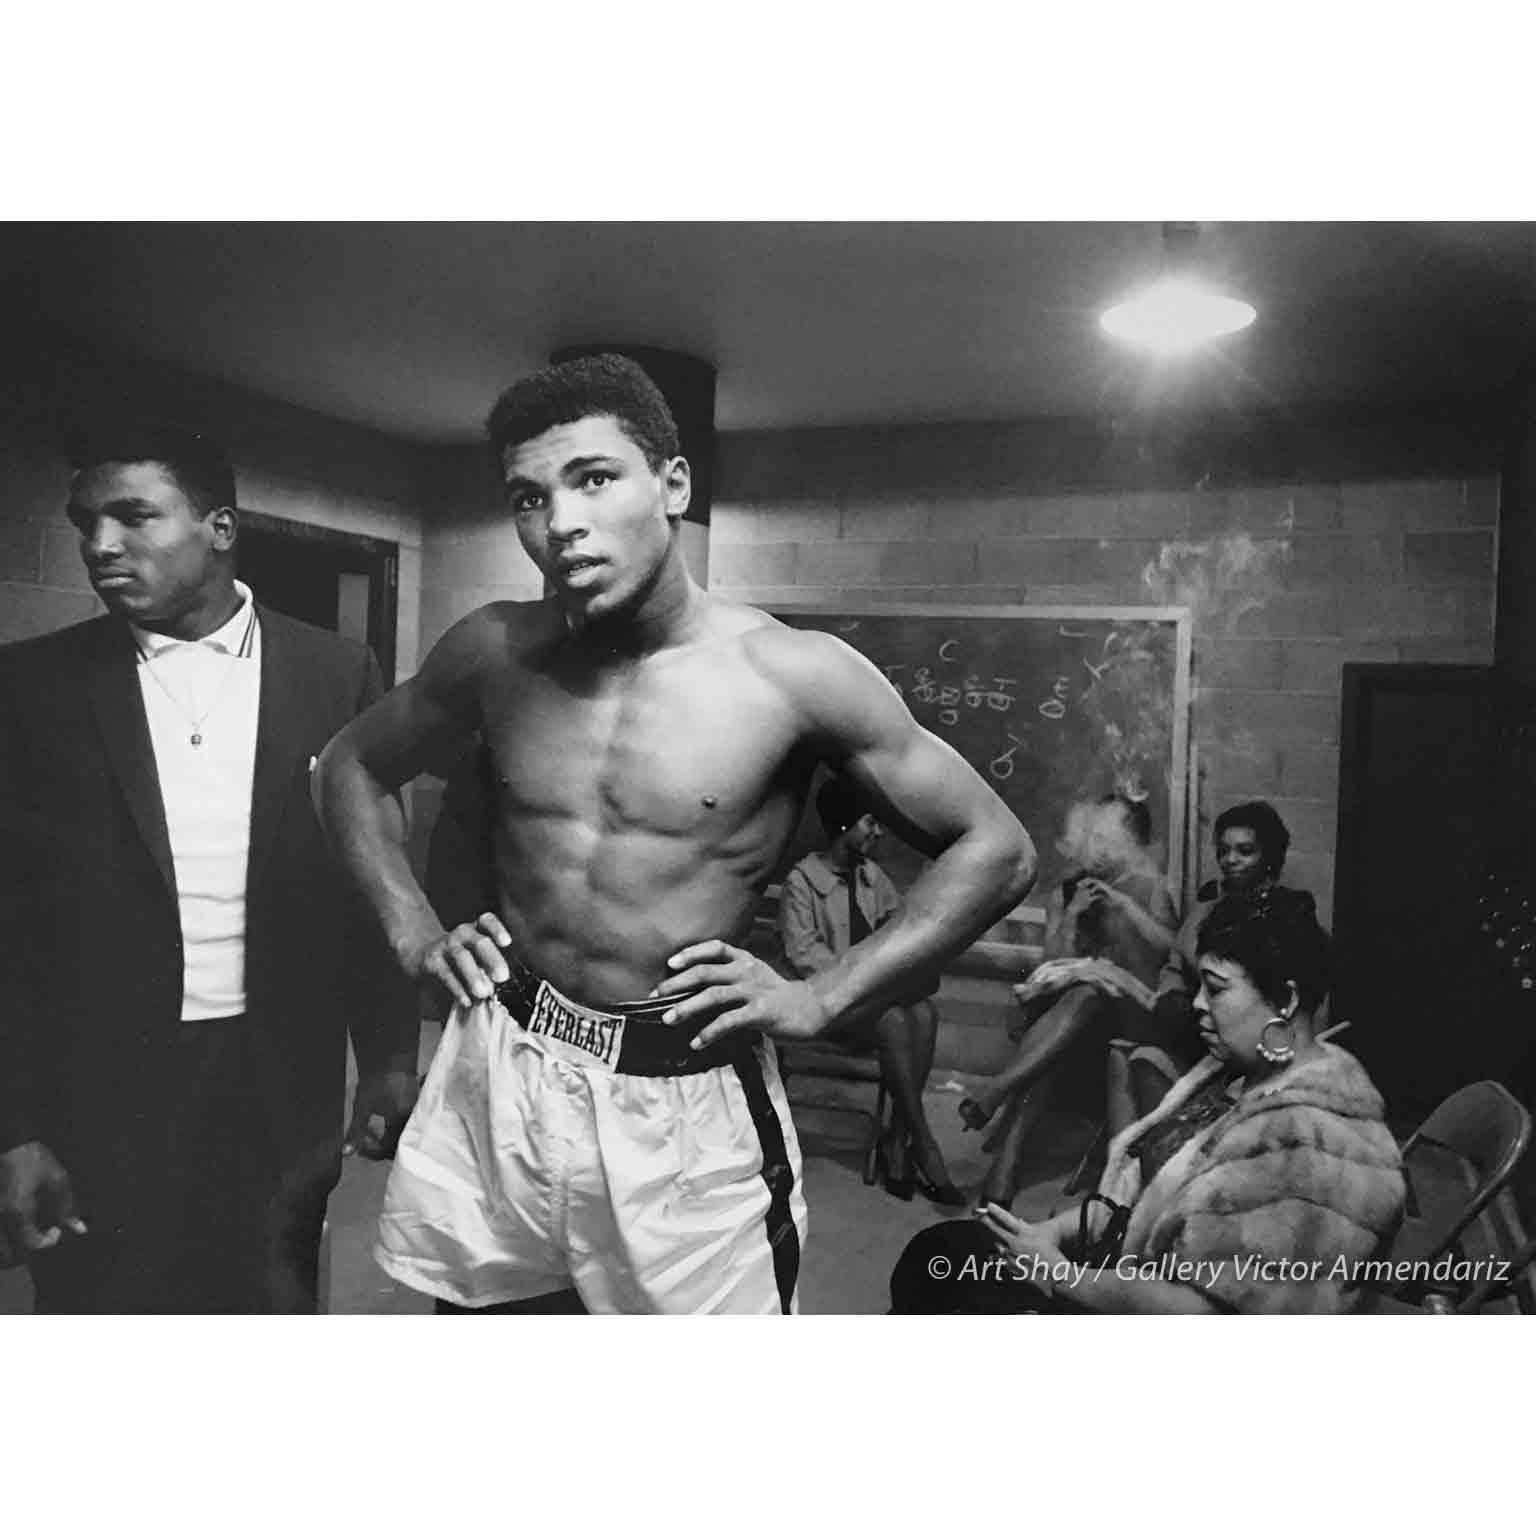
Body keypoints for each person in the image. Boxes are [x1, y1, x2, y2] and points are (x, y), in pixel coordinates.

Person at [313, 353, 1037, 1315]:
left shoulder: (791, 673)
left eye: (595, 478)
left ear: (674, 484)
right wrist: (410, 928)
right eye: (529, 498)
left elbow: (998, 847)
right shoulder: (493, 649)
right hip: (509, 1058)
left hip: (682, 1092)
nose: (561, 522)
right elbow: (348, 767)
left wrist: (824, 998)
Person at [0, 424, 420, 1312]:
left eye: (134, 517)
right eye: (86, 523)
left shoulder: (336, 673)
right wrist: (15, 1129)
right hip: (95, 1094)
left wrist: (387, 1057)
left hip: (279, 1087)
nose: (100, 546)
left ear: (220, 527)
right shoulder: (31, 688)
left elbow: (369, 880)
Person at [891, 889, 1405, 1313]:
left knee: (948, 1292)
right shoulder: (1243, 1076)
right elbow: (1139, 1205)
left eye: (1216, 988)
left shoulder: (1308, 1149)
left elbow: (1202, 1313)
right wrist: (1050, 1232)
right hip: (1121, 1269)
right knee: (941, 1253)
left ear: (1287, 1001)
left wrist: (1065, 1277)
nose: (1199, 1005)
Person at [941, 794, 1178, 1205]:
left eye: (1109, 839)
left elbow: (1173, 953)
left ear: (1131, 842)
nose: (1098, 849)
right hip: (1075, 1022)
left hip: (1134, 1017)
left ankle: (996, 1094)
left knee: (1082, 999)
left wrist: (1122, 906)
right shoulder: (1070, 890)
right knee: (1075, 1009)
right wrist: (1072, 915)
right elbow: (1049, 967)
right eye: (1094, 837)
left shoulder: (1151, 886)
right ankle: (1005, 1170)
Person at [779, 776, 964, 1206]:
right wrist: (868, 979)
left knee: (925, 1013)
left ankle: (899, 1140)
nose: (878, 833)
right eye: (870, 823)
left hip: (873, 1002)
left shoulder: (872, 877)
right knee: (897, 1018)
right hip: (828, 1005)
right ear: (844, 826)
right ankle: (919, 1142)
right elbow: (804, 955)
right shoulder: (802, 882)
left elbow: (897, 931)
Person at [1118, 800, 1316, 1131]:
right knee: (1125, 1050)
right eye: (1224, 851)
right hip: (1193, 1018)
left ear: (1269, 857)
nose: (1230, 860)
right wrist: (1170, 990)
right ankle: (1120, 1165)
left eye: (1245, 851)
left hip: (1244, 1032)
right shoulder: (1210, 905)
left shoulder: (1284, 914)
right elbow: (1176, 963)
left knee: (1138, 1051)